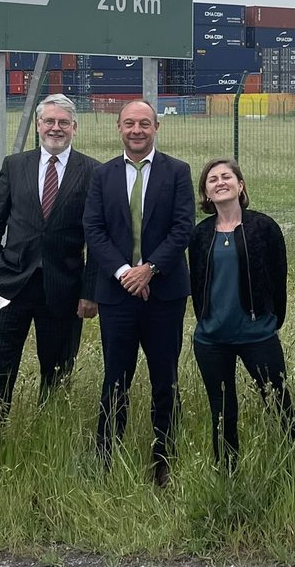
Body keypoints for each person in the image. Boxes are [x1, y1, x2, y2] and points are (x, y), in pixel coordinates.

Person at [83, 99, 194, 486]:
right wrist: (125, 272)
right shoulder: (103, 175)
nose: (137, 130)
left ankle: (164, 459)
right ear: (118, 128)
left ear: (156, 128)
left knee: (166, 378)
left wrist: (149, 270)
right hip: (117, 294)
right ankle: (105, 458)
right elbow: (93, 229)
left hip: (164, 293)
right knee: (115, 378)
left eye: (144, 124)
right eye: (129, 123)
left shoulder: (177, 172)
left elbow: (183, 229)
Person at [0, 93, 99, 421]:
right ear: (38, 125)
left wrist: (90, 291)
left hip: (64, 288)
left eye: (63, 123)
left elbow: (97, 238)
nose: (55, 128)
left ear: (74, 127)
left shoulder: (92, 171)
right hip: (11, 284)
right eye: (49, 122)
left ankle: (48, 431)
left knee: (57, 372)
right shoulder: (15, 165)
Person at [189, 157, 295, 468]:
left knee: (279, 403)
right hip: (211, 339)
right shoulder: (200, 235)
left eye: (226, 176)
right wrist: (204, 320)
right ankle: (228, 473)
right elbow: (196, 280)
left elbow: (278, 279)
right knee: (222, 410)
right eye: (212, 180)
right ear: (206, 193)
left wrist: (270, 321)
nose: (220, 182)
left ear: (240, 185)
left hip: (257, 335)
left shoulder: (263, 227)